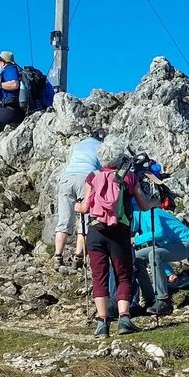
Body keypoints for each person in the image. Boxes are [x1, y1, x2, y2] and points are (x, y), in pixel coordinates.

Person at [76, 139, 155, 338]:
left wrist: (77, 207)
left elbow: (84, 208)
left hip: (96, 232)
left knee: (99, 276)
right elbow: (144, 206)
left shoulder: (92, 177)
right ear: (120, 158)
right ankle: (124, 319)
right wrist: (154, 202)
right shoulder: (128, 178)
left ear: (100, 158)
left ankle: (102, 323)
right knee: (123, 275)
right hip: (120, 233)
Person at [131, 197, 189, 316]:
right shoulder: (142, 225)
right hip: (172, 245)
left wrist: (135, 240)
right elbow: (159, 249)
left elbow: (159, 233)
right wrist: (168, 272)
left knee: (154, 253)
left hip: (185, 243)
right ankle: (150, 299)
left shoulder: (150, 213)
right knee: (136, 258)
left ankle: (163, 301)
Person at [53, 131, 105, 267]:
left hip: (67, 178)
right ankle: (78, 257)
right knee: (85, 221)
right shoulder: (101, 146)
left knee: (64, 220)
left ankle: (57, 257)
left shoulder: (79, 144)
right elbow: (102, 168)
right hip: (85, 179)